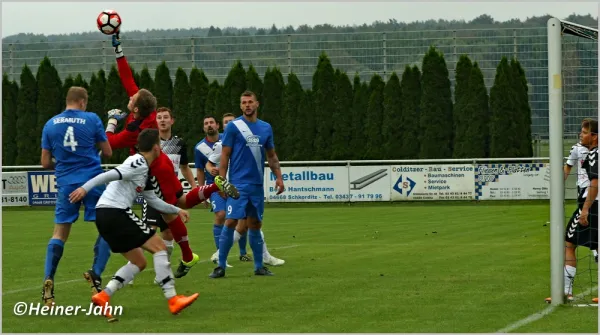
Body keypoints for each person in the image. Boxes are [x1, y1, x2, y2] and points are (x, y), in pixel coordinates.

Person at [106, 33, 234, 279]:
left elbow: (110, 143)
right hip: (163, 165)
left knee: (165, 215)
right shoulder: (147, 113)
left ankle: (179, 259)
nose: (129, 96)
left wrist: (112, 121)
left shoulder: (134, 130)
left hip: (152, 172)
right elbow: (127, 78)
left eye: (132, 98)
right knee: (179, 203)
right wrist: (119, 51)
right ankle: (210, 191)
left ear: (135, 107)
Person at [69, 129, 199, 319]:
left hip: (104, 215)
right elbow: (107, 175)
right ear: (156, 147)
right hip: (115, 212)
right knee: (160, 247)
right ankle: (173, 298)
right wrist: (84, 188)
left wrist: (176, 210)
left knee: (139, 262)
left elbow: (153, 200)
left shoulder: (145, 170)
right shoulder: (137, 162)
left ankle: (104, 295)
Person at [39, 87, 113, 307]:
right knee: (106, 229)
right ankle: (95, 273)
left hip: (66, 184)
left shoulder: (50, 124)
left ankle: (48, 279)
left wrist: (62, 165)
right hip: (92, 182)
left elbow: (44, 163)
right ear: (82, 102)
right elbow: (107, 152)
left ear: (67, 101)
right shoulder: (91, 119)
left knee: (59, 233)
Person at [209, 90, 285, 278]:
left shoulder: (266, 128)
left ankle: (259, 266)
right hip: (238, 185)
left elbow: (272, 156)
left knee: (255, 224)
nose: (247, 105)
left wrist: (279, 177)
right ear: (240, 105)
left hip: (257, 186)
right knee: (231, 221)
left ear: (257, 104)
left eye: (250, 102)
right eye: (244, 102)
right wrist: (222, 182)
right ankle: (221, 266)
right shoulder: (234, 127)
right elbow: (225, 155)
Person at [546, 118, 599, 304]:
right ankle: (566, 292)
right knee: (579, 244)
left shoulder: (595, 154)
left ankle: (565, 292)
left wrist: (585, 209)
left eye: (584, 132)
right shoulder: (578, 148)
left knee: (570, 243)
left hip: (590, 202)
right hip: (588, 201)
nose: (580, 135)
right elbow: (567, 168)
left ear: (594, 136)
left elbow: (595, 182)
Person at [142, 107, 197, 262]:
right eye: (159, 118)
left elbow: (184, 168)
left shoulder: (179, 143)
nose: (162, 120)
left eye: (166, 117)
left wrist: (194, 187)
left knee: (168, 234)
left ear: (172, 120)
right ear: (156, 121)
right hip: (153, 192)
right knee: (148, 232)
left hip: (170, 195)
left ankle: (164, 268)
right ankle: (132, 266)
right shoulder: (150, 143)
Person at [195, 113, 249, 267]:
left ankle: (243, 252)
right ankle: (220, 254)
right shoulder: (200, 147)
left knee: (240, 217)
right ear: (204, 127)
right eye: (206, 123)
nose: (209, 125)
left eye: (212, 122)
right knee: (221, 214)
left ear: (218, 125)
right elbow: (200, 170)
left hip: (234, 183)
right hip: (215, 187)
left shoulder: (230, 139)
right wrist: (202, 191)